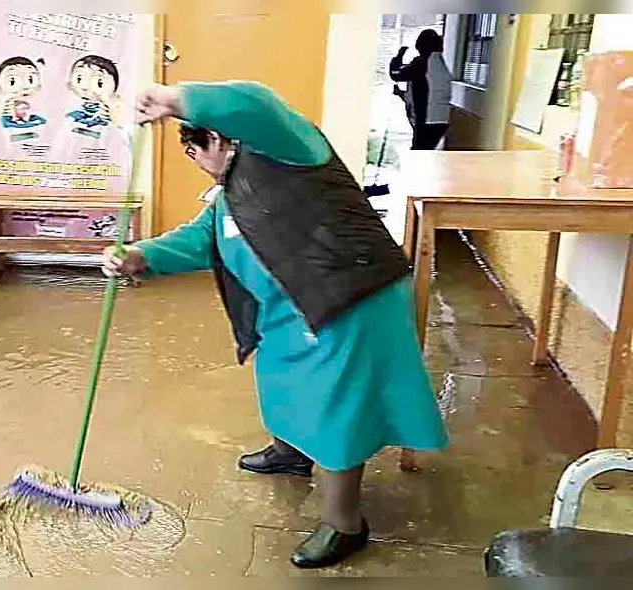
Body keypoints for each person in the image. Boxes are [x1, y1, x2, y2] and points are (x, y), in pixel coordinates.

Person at [102, 81, 448, 569]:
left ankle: (344, 523)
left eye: (196, 151)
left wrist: (174, 99)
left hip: (347, 300)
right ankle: (291, 451)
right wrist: (139, 256)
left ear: (220, 140)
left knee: (336, 410)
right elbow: (203, 238)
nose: (197, 163)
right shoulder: (228, 196)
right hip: (289, 312)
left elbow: (255, 102)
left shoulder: (289, 148)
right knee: (281, 379)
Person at [389, 29, 452, 150]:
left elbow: (395, 74)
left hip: (427, 121)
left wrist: (399, 55)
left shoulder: (422, 63)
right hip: (440, 120)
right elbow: (425, 93)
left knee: (419, 155)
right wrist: (401, 94)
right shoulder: (439, 63)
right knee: (423, 154)